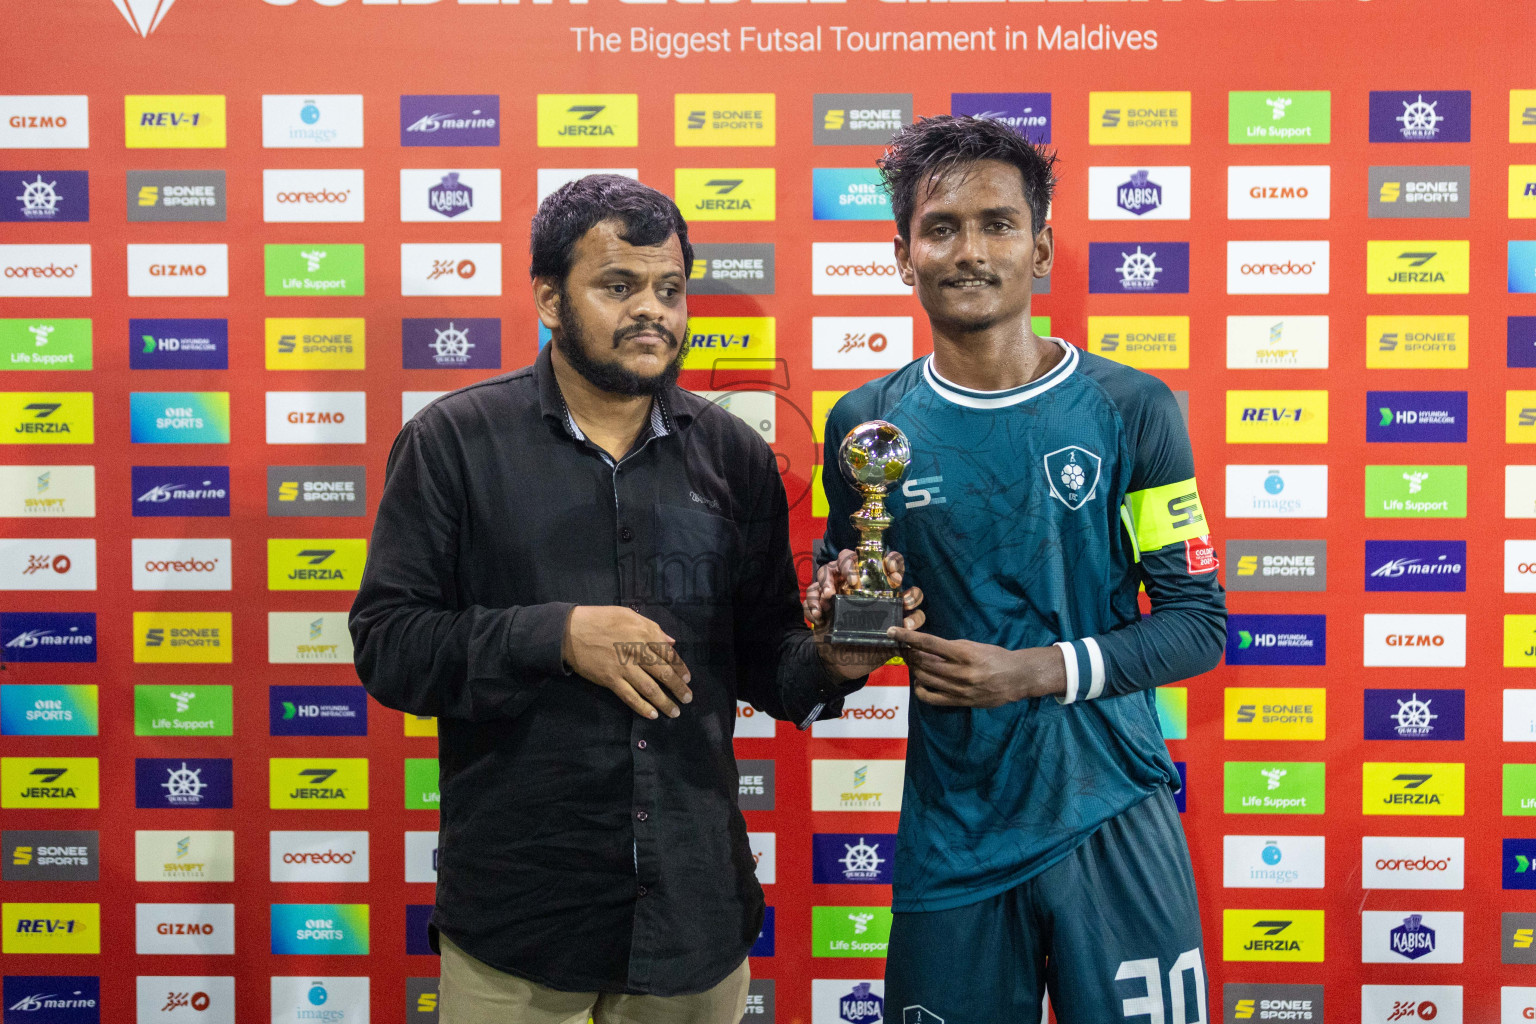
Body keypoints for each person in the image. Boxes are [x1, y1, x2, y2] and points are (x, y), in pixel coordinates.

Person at [350, 174, 918, 1024]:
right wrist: (558, 634)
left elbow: (767, 655)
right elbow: (389, 646)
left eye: (670, 289)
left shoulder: (733, 455)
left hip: (692, 920)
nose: (652, 310)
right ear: (549, 297)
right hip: (521, 927)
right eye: (618, 286)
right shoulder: (453, 443)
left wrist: (835, 661)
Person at [806, 117, 1228, 1023]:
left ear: (1039, 250)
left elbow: (1197, 622)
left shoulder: (1131, 407)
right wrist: (844, 628)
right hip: (954, 826)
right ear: (902, 254)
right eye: (942, 227)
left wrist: (1033, 672)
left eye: (998, 224)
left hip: (1109, 805)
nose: (970, 250)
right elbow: (850, 621)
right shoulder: (864, 426)